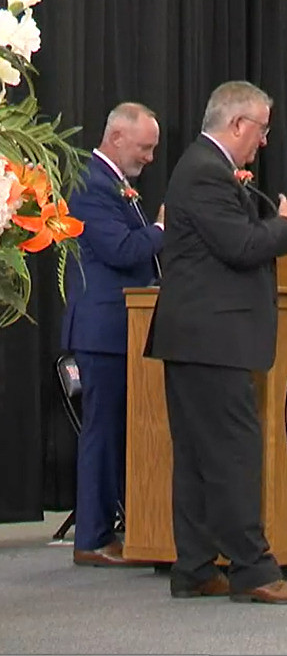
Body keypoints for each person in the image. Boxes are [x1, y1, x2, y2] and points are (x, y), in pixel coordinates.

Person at [145, 81, 287, 603]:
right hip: (210, 338)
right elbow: (242, 247)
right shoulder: (205, 171)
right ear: (239, 124)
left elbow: (236, 241)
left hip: (200, 339)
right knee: (233, 454)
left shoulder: (207, 169)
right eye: (263, 130)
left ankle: (196, 567)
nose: (264, 142)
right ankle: (254, 571)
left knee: (203, 458)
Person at [61, 102, 164, 567]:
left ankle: (123, 525)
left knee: (121, 432)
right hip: (103, 329)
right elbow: (121, 250)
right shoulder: (90, 183)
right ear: (117, 137)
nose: (149, 157)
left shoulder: (118, 184)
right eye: (144, 147)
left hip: (126, 326)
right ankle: (92, 538)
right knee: (101, 433)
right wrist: (163, 227)